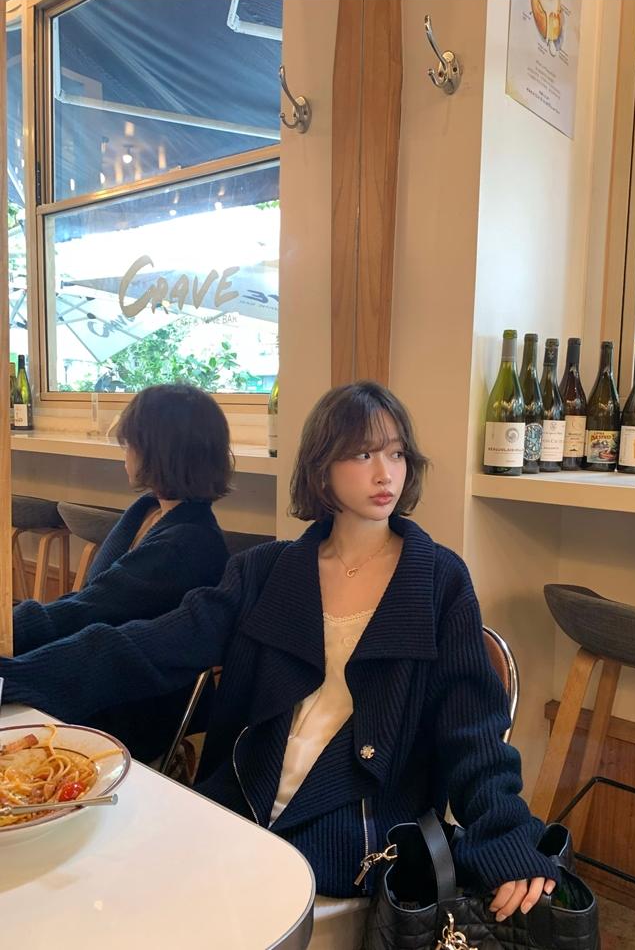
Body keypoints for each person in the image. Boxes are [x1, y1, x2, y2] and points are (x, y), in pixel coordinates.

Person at [1, 381, 557, 948]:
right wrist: (12, 679)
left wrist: (506, 832)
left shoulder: (438, 579)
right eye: (362, 454)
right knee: (95, 887)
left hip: (357, 831)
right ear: (322, 467)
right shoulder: (266, 570)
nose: (385, 473)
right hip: (242, 801)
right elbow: (151, 646)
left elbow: (473, 727)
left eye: (396, 454)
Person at [12, 383, 232, 763]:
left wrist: (11, 641)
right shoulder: (149, 510)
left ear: (158, 452)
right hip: (102, 671)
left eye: (130, 444)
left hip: (135, 700)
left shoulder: (187, 544)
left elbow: (88, 611)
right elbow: (90, 604)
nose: (124, 453)